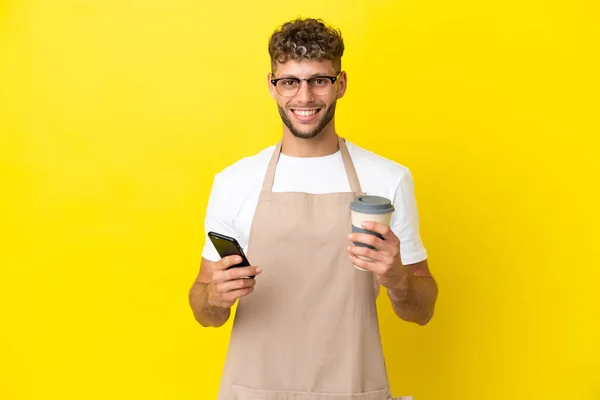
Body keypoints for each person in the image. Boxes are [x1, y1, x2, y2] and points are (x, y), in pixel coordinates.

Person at [188, 17, 438, 400]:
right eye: (290, 81)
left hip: (351, 387)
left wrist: (399, 279)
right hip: (255, 391)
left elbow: (421, 312)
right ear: (272, 86)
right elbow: (204, 310)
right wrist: (215, 298)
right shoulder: (235, 181)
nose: (304, 98)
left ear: (340, 84)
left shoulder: (387, 180)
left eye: (318, 80)